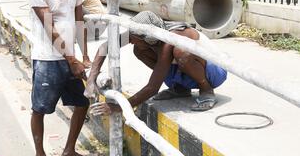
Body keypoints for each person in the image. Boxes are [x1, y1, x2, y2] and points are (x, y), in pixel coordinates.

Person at [28, 0, 93, 156]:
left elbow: (79, 22)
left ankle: (69, 152)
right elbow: (50, 28)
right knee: (40, 109)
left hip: (71, 59)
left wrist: (84, 56)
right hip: (47, 59)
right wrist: (71, 59)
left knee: (82, 103)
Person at [85, 11, 228, 115]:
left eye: (135, 38)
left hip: (213, 72)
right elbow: (106, 46)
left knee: (180, 52)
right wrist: (92, 78)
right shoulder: (141, 34)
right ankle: (179, 88)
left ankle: (207, 90)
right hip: (188, 72)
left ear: (148, 38)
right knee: (139, 51)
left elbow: (153, 87)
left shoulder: (169, 40)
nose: (131, 40)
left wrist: (120, 107)